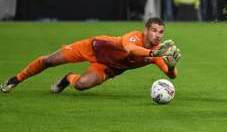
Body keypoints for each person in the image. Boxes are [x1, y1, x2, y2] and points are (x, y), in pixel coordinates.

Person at [1, 18, 180, 93]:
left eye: (161, 32)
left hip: (108, 66)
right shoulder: (135, 37)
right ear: (146, 30)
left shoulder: (158, 52)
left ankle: (68, 78)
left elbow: (171, 75)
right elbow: (130, 49)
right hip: (93, 47)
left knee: (81, 85)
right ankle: (16, 79)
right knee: (50, 61)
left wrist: (171, 66)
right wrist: (154, 52)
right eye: (154, 30)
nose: (157, 35)